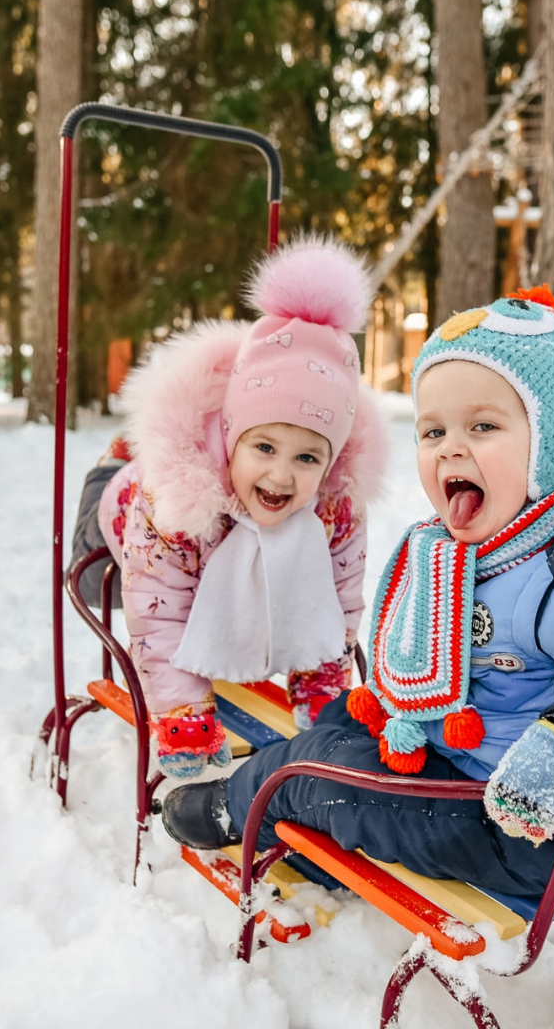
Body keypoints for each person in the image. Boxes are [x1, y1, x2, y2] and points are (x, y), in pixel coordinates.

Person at [161, 286, 554, 900]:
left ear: (547, 442)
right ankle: (314, 831)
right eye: (432, 430)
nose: (451, 448)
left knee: (313, 773)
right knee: (341, 727)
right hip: (456, 765)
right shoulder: (468, 542)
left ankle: (238, 805)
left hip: (541, 832)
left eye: (483, 426)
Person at [91, 236, 386, 779]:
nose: (280, 474)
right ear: (231, 438)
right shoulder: (175, 500)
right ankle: (117, 456)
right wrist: (182, 710)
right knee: (97, 582)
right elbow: (156, 611)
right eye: (265, 448)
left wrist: (321, 679)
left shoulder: (335, 509)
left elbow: (339, 597)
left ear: (331, 461)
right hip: (121, 509)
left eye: (306, 457)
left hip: (218, 544)